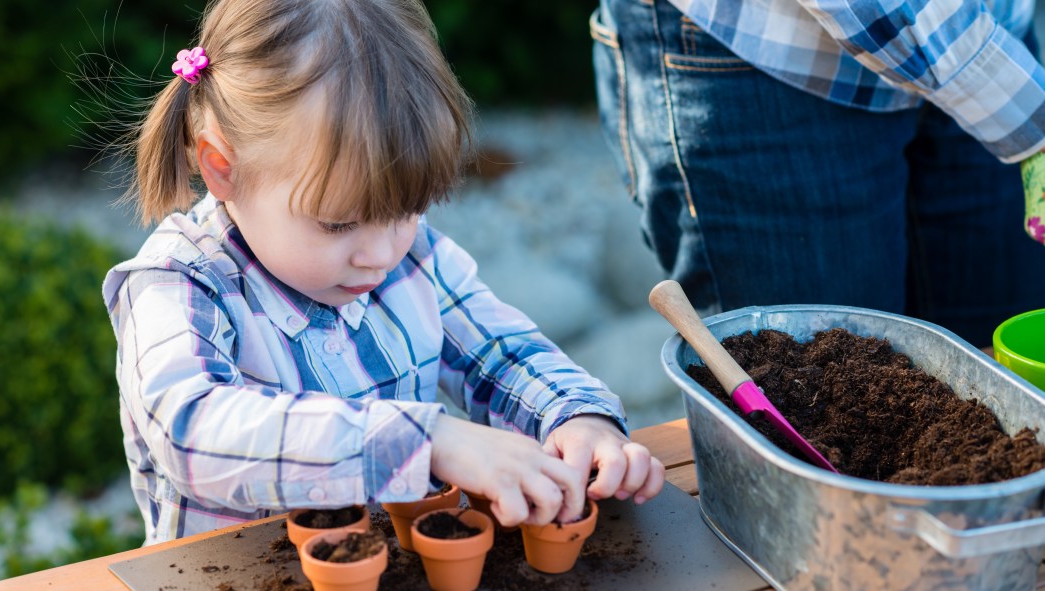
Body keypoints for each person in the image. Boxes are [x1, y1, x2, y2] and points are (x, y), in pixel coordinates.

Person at [102, 0, 665, 545]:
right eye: (338, 224)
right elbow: (191, 432)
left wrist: (577, 419)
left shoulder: (412, 256)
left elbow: (502, 353)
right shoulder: (179, 283)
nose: (379, 254)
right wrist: (425, 441)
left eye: (405, 210)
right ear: (222, 169)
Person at [590, 0, 1045, 348]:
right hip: (768, 53)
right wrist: (1028, 117)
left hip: (992, 33)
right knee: (828, 420)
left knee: (1003, 396)